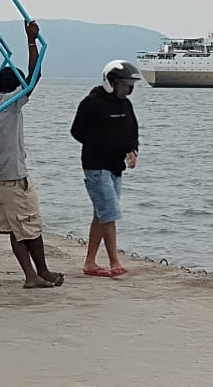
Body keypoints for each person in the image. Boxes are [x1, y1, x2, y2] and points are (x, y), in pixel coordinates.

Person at [0, 20, 62, 289]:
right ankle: (40, 273)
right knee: (31, 226)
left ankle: (33, 274)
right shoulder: (12, 103)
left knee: (15, 229)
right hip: (14, 176)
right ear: (16, 88)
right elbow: (34, 76)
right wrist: (31, 41)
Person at [71, 59, 142, 278]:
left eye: (129, 85)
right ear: (111, 82)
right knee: (109, 212)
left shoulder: (125, 105)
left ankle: (90, 262)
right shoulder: (91, 103)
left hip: (115, 167)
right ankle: (114, 262)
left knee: (101, 213)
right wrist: (98, 143)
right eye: (124, 84)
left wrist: (132, 150)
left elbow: (132, 130)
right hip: (96, 165)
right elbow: (76, 131)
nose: (127, 89)